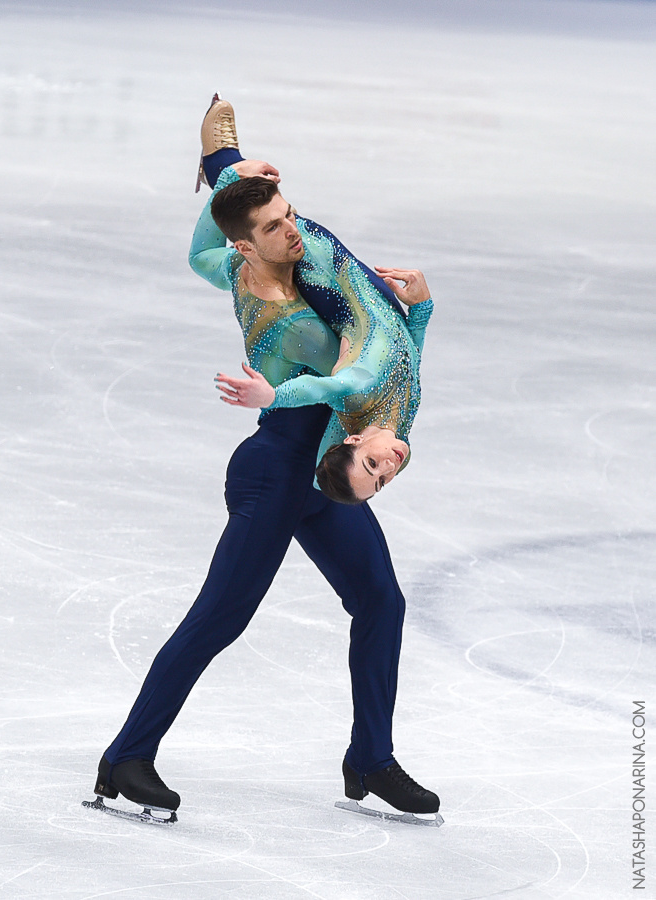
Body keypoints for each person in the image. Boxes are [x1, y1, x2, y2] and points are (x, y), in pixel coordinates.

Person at [87, 96, 439, 823]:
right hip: (277, 473)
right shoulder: (284, 316)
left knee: (381, 600)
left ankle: (370, 759)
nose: (293, 231)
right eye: (276, 227)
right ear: (249, 247)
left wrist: (226, 175)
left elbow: (202, 252)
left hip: (324, 472)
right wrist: (273, 395)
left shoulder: (243, 263)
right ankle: (126, 756)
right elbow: (346, 379)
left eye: (288, 217)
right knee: (220, 617)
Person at [197, 156, 433, 504]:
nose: (389, 467)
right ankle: (226, 169)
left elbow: (319, 388)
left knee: (274, 220)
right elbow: (409, 364)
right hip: (372, 295)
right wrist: (421, 311)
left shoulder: (356, 385)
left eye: (372, 465)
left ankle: (221, 160)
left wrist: (274, 397)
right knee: (272, 220)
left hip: (328, 283)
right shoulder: (400, 441)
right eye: (382, 481)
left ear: (353, 440)